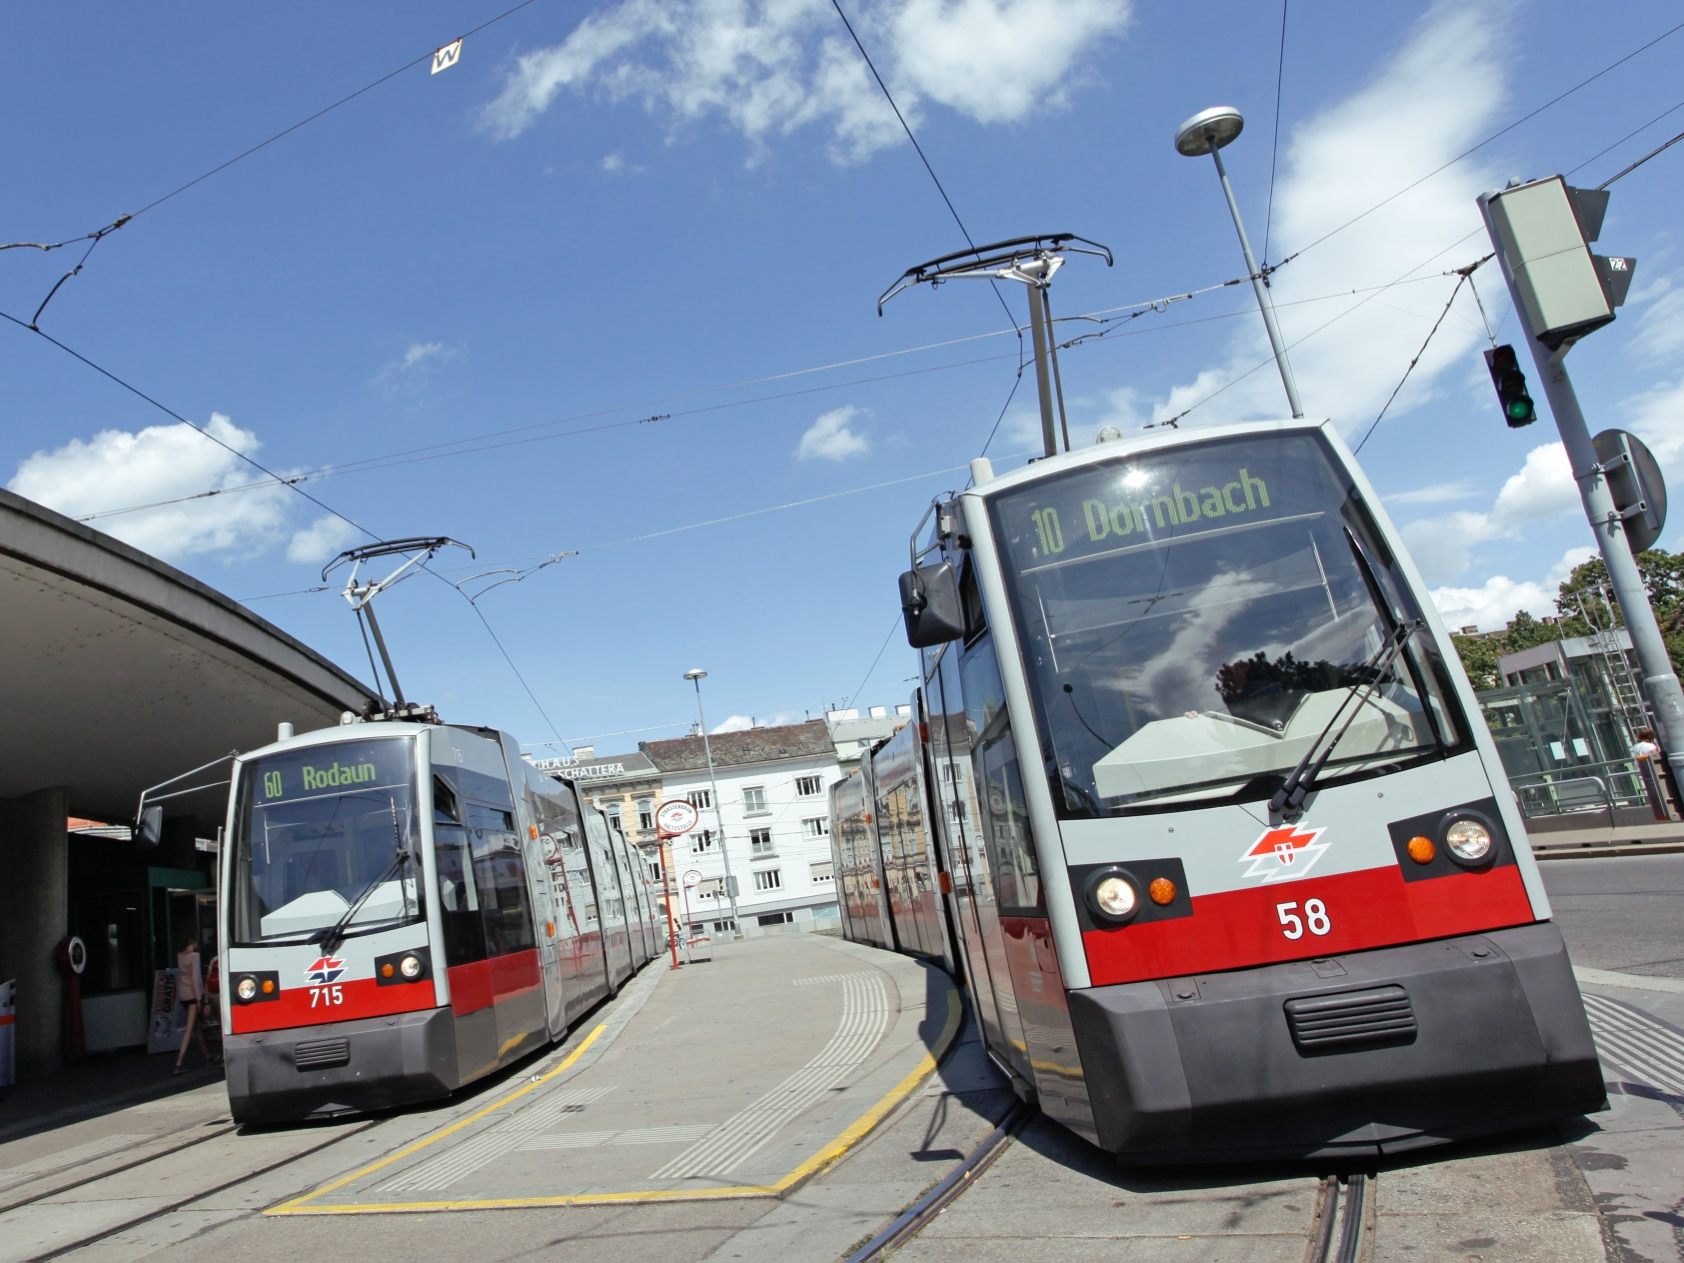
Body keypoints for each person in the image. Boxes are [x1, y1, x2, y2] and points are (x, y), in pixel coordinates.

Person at [173, 933, 216, 1074]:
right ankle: (178, 1063)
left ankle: (207, 1056)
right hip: (192, 996)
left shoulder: (180, 956)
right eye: (195, 944)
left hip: (183, 996)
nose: (196, 946)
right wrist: (200, 998)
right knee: (189, 1029)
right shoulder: (194, 957)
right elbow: (196, 978)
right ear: (191, 944)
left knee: (197, 1028)